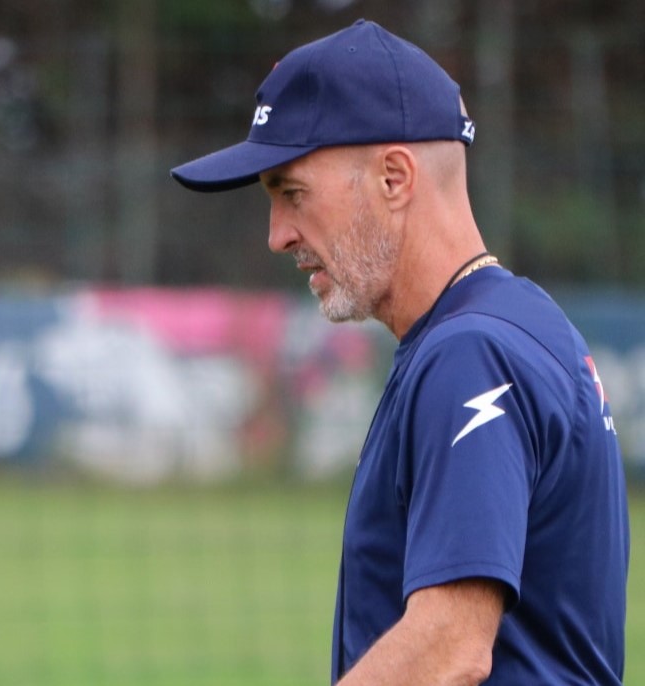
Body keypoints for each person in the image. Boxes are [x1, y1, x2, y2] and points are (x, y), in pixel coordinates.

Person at [171, 19, 629, 686]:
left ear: (393, 178)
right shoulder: (521, 323)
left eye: (292, 193)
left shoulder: (471, 353)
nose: (277, 235)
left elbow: (449, 649)